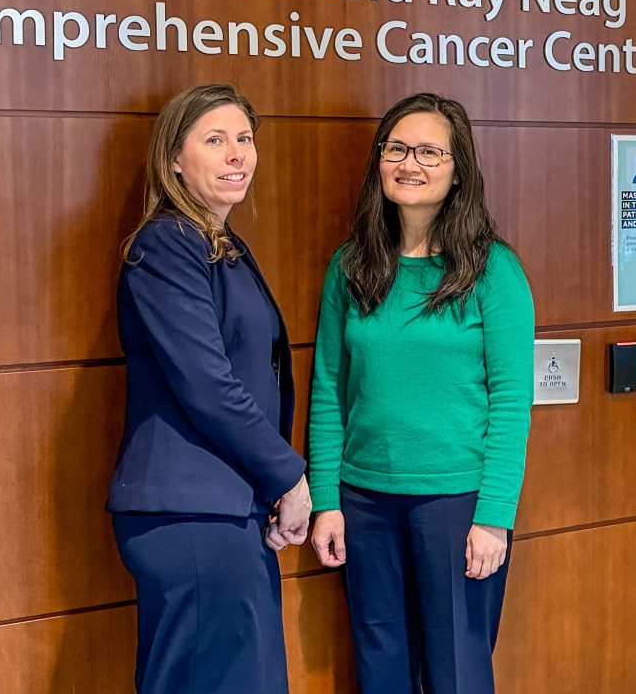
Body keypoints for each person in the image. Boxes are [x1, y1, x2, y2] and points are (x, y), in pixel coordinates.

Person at [308, 93, 534, 694]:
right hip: (364, 503)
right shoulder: (350, 266)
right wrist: (327, 499)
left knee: (456, 670)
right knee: (380, 666)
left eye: (431, 151)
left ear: (459, 170)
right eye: (398, 148)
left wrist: (494, 516)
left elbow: (513, 403)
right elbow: (329, 388)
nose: (411, 163)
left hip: (456, 504)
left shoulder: (493, 270)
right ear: (379, 161)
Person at [107, 83, 311, 694]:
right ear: (173, 157)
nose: (236, 155)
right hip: (189, 514)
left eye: (244, 139)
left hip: (225, 512)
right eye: (215, 140)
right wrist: (288, 477)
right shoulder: (168, 243)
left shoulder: (218, 245)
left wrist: (268, 490)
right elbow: (209, 386)